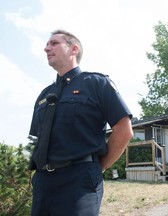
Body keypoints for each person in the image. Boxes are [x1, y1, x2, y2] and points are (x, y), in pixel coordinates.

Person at [29, 29, 133, 216]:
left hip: (79, 180)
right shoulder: (44, 95)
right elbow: (40, 140)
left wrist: (100, 166)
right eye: (47, 44)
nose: (46, 48)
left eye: (54, 43)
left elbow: (124, 130)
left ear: (73, 49)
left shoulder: (96, 83)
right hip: (43, 182)